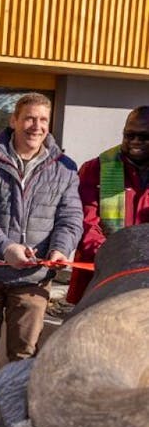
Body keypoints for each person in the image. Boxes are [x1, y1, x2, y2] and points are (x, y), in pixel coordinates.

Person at [0, 93, 82, 427]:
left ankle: (16, 422)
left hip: (34, 277)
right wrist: (6, 248)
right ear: (13, 120)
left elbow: (71, 217)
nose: (35, 126)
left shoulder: (65, 167)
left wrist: (61, 248)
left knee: (24, 354)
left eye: (42, 120)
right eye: (29, 118)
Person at [66, 105, 149, 304]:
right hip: (101, 273)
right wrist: (114, 256)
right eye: (129, 135)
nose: (135, 141)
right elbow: (85, 222)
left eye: (144, 136)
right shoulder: (96, 168)